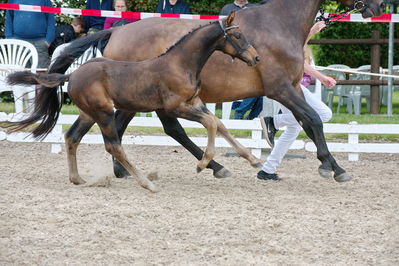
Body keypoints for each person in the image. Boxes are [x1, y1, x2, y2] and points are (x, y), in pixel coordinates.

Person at [258, 21, 335, 181]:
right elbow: (297, 59)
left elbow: (300, 57)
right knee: (324, 113)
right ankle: (274, 121)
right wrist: (322, 77)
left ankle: (267, 170)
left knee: (293, 128)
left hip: (288, 86)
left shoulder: (295, 39)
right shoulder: (288, 38)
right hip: (288, 87)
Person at [220, 1, 261, 120]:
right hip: (232, 55)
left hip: (250, 52)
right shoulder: (226, 9)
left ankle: (245, 117)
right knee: (257, 88)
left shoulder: (254, 8)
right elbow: (221, 31)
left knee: (259, 88)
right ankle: (240, 114)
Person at [5, 0, 55, 69]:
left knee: (40, 73)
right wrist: (9, 37)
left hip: (39, 43)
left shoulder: (45, 1)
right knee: (20, 74)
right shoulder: (12, 0)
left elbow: (51, 20)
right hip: (18, 43)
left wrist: (48, 40)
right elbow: (8, 19)